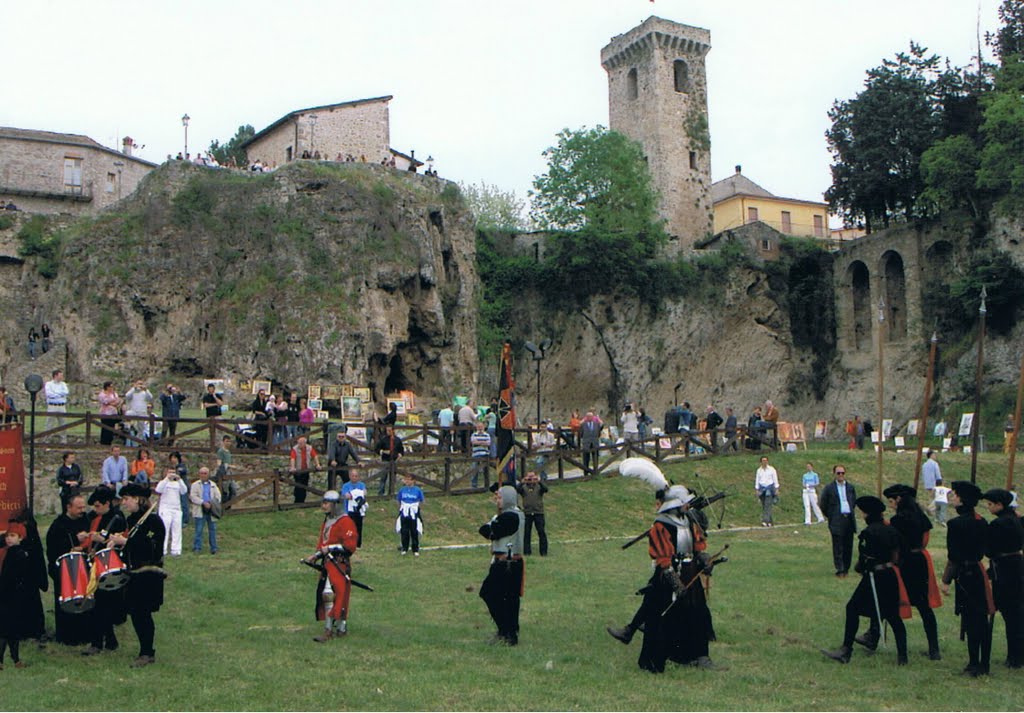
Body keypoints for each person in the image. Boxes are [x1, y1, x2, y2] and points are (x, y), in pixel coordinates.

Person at [636, 483, 720, 671]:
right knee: (662, 618)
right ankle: (655, 660)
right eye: (685, 503)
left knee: (697, 613)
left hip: (690, 572)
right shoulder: (661, 525)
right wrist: (675, 582)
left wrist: (704, 559)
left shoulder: (689, 521)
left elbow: (697, 546)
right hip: (668, 574)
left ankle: (699, 656)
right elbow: (662, 557)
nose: (688, 506)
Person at [821, 495, 910, 666]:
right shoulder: (892, 530)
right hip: (890, 574)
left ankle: (846, 650)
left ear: (868, 514)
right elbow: (901, 553)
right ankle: (902, 656)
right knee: (893, 616)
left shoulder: (869, 533)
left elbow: (865, 559)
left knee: (852, 608)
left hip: (874, 576)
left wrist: (860, 568)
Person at [862, 484, 941, 660]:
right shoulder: (921, 517)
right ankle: (934, 649)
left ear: (899, 500)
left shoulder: (898, 521)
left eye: (891, 501)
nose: (891, 505)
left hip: (904, 563)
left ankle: (873, 636)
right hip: (919, 560)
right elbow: (925, 537)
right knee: (924, 606)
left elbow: (893, 543)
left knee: (885, 600)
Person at [108, 482, 166, 667]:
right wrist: (116, 543)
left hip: (149, 573)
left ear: (137, 499)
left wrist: (126, 541)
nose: (124, 503)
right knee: (136, 613)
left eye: (126, 499)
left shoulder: (154, 521)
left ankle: (147, 652)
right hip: (133, 573)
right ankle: (145, 650)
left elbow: (151, 548)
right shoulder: (133, 520)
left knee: (143, 613)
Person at [939, 481, 993, 677]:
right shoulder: (982, 521)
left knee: (971, 620)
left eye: (954, 495)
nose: (952, 498)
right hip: (978, 572)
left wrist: (946, 580)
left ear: (961, 499)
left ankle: (974, 663)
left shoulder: (955, 524)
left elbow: (954, 556)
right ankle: (983, 663)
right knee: (981, 619)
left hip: (964, 574)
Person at [304, 490, 358, 641]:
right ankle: (335, 627)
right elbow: (323, 543)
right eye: (323, 502)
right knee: (327, 594)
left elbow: (349, 546)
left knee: (336, 594)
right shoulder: (328, 521)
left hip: (339, 563)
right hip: (328, 563)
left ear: (335, 505)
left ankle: (333, 629)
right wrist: (316, 556)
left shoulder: (346, 521)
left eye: (327, 503)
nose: (324, 506)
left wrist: (330, 549)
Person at [81, 487, 127, 655]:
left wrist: (104, 539)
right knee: (97, 604)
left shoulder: (117, 518)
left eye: (98, 505)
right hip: (94, 562)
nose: (95, 508)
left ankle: (98, 642)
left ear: (107, 503)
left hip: (109, 564)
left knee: (102, 605)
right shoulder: (93, 517)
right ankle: (107, 640)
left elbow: (121, 540)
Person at [981, 488, 1023, 669]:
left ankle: (1014, 657)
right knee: (1017, 614)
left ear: (999, 505)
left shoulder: (998, 525)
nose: (988, 508)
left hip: (1004, 570)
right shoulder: (1017, 520)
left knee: (1010, 613)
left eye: (990, 504)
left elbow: (989, 549)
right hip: (1017, 565)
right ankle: (1017, 654)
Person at [478, 485, 525, 646]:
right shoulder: (508, 515)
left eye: (499, 497)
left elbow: (490, 531)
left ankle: (507, 631)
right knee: (505, 598)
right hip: (504, 562)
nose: (497, 500)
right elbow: (486, 530)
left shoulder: (511, 516)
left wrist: (492, 524)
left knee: (491, 594)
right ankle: (507, 632)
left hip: (508, 563)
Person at [45, 493, 93, 645]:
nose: (82, 510)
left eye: (83, 507)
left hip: (82, 567)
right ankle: (66, 636)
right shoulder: (58, 525)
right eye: (78, 507)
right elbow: (53, 548)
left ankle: (85, 633)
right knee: (66, 600)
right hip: (64, 568)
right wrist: (73, 541)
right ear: (69, 507)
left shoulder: (85, 520)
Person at [0, 523, 33, 669]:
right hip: (5, 595)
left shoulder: (20, 554)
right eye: (7, 536)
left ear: (21, 537)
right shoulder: (5, 553)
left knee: (12, 630)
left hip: (14, 596)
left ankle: (15, 659)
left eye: (12, 536)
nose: (9, 539)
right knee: (5, 629)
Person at [818, 465, 857, 577]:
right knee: (838, 545)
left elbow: (853, 501)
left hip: (848, 518)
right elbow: (823, 504)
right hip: (836, 519)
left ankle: (846, 568)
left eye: (842, 473)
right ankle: (840, 569)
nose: (841, 475)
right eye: (838, 473)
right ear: (834, 474)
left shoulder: (850, 487)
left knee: (848, 545)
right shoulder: (829, 488)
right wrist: (831, 515)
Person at [154, 469, 187, 556]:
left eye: (173, 472)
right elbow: (158, 489)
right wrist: (166, 478)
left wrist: (180, 480)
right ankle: (163, 549)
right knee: (164, 529)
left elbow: (184, 491)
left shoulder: (178, 483)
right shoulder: (163, 482)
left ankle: (176, 550)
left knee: (177, 530)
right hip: (166, 509)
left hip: (176, 509)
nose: (172, 474)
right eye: (170, 472)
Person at [190, 467, 221, 554]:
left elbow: (218, 496)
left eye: (205, 473)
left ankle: (214, 548)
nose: (203, 475)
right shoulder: (195, 485)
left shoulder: (213, 485)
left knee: (212, 529)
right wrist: (203, 502)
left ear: (208, 474)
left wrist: (211, 503)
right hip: (200, 509)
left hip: (211, 510)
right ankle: (197, 547)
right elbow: (193, 497)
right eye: (201, 473)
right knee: (199, 529)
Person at [516, 471, 548, 556]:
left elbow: (546, 489)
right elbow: (517, 490)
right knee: (527, 533)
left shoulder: (539, 487)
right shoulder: (524, 488)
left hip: (539, 512)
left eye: (532, 478)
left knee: (541, 532)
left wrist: (539, 481)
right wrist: (522, 482)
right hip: (527, 513)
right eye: (529, 478)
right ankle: (527, 552)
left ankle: (543, 552)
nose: (531, 480)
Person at [396, 474, 424, 556]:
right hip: (404, 511)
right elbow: (399, 499)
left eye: (409, 480)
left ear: (413, 481)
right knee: (404, 530)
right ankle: (404, 547)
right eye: (406, 480)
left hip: (413, 511)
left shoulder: (417, 490)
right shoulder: (402, 490)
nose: (407, 481)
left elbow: (421, 500)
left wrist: (417, 509)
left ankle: (415, 548)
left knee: (414, 530)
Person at [290, 435, 321, 504]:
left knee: (304, 485)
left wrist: (317, 464)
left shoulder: (309, 448)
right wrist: (292, 467)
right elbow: (292, 458)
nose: (299, 445)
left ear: (305, 443)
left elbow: (315, 456)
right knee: (298, 486)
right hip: (298, 471)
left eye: (301, 443)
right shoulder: (295, 449)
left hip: (306, 470)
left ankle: (302, 501)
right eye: (298, 443)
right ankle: (297, 501)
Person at [373, 425, 404, 496]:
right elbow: (376, 449)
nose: (388, 432)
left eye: (389, 430)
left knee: (392, 478)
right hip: (385, 460)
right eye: (387, 430)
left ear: (393, 431)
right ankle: (381, 493)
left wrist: (400, 455)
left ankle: (391, 493)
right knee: (383, 477)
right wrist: (383, 451)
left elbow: (401, 451)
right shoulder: (383, 439)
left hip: (394, 461)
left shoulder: (398, 440)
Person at [342, 467, 368, 547]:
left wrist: (355, 494)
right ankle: (349, 543)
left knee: (359, 527)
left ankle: (358, 544)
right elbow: (347, 496)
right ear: (350, 476)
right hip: (349, 510)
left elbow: (364, 493)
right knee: (349, 527)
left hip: (359, 510)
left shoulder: (361, 485)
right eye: (353, 476)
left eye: (356, 476)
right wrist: (356, 494)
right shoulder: (346, 485)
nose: (354, 477)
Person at [43, 369, 69, 443]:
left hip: (62, 406)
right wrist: (59, 394)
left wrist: (55, 394)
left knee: (63, 423)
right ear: (55, 376)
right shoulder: (49, 384)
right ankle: (47, 440)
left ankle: (63, 440)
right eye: (60, 375)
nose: (62, 377)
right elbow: (49, 394)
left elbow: (66, 392)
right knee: (50, 423)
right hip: (52, 406)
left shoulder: (63, 384)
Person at [754, 456, 779, 527]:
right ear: (761, 462)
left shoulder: (772, 469)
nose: (764, 462)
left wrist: (776, 488)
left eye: (765, 460)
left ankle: (765, 520)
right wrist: (757, 489)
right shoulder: (759, 470)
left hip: (769, 488)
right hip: (762, 489)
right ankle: (770, 522)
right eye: (763, 461)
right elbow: (757, 480)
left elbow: (775, 479)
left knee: (768, 504)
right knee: (764, 505)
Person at [97, 382, 122, 446]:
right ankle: (104, 443)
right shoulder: (102, 394)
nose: (112, 388)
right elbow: (105, 401)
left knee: (111, 428)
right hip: (105, 413)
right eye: (110, 386)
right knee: (105, 428)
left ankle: (109, 442)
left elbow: (117, 401)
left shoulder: (114, 394)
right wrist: (111, 402)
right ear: (107, 387)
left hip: (113, 413)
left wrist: (112, 403)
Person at [469, 421, 492, 488]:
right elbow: (473, 442)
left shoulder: (487, 435)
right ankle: (474, 485)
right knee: (474, 469)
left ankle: (486, 485)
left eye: (481, 426)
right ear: (476, 427)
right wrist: (483, 442)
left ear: (484, 427)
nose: (480, 428)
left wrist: (479, 442)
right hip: (476, 454)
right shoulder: (474, 434)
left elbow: (488, 443)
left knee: (486, 470)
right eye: (478, 427)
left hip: (485, 454)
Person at [580, 411, 603, 476]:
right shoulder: (583, 425)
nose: (589, 418)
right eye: (588, 416)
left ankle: (596, 471)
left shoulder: (597, 424)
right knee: (586, 459)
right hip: (586, 443)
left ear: (593, 417)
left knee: (595, 458)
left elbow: (599, 432)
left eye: (591, 416)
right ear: (586, 417)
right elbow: (581, 434)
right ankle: (586, 472)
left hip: (594, 443)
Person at [920, 450, 940, 514]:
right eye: (934, 455)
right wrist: (939, 481)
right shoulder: (934, 464)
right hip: (934, 482)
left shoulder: (924, 465)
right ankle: (929, 509)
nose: (935, 456)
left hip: (927, 483)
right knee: (938, 497)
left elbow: (923, 474)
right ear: (931, 455)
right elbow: (938, 474)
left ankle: (932, 510)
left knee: (932, 497)